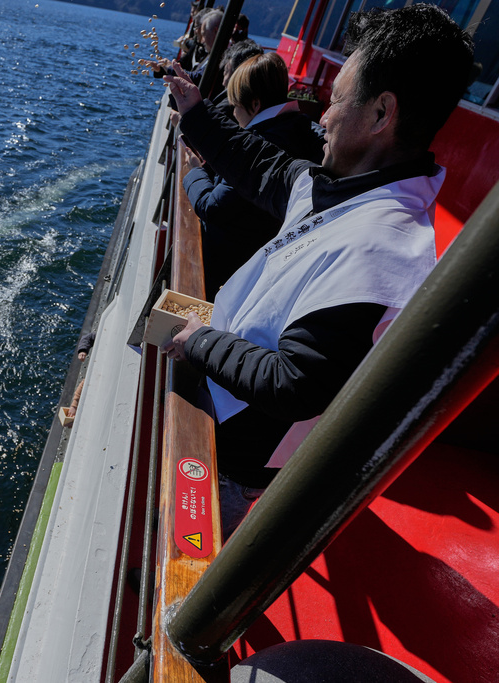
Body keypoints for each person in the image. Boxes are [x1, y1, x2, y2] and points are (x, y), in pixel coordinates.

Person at [160, 4, 474, 537]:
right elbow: (258, 165)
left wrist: (198, 341)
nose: (321, 116)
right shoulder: (338, 186)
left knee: (180, 558)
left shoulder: (384, 247)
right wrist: (194, 110)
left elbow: (294, 383)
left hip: (230, 461)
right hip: (217, 407)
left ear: (381, 114)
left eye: (336, 101)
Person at [184, 52, 325, 296]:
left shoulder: (262, 143)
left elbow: (211, 205)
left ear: (255, 104)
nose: (234, 115)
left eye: (235, 106)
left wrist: (194, 171)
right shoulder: (301, 127)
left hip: (230, 271)